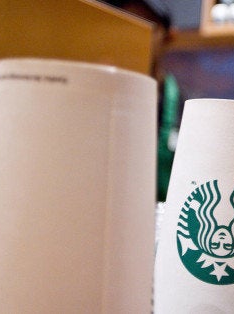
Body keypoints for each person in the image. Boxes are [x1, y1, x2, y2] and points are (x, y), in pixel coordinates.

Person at [99, 0, 182, 202]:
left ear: (169, 37)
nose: (134, 33)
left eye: (145, 25)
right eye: (126, 22)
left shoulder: (188, 111)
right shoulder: (101, 99)